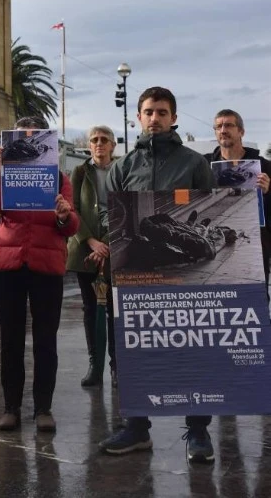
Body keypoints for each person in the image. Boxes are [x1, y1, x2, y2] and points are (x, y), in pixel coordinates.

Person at [97, 86, 216, 463]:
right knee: (132, 351)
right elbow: (107, 214)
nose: (154, 118)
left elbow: (205, 208)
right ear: (138, 118)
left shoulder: (194, 163)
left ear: (173, 118)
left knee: (191, 349)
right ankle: (136, 428)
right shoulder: (123, 166)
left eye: (162, 112)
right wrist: (117, 240)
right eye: (148, 112)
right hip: (136, 273)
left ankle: (197, 431)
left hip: (185, 276)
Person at [0, 116, 79, 433]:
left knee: (45, 340)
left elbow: (72, 225)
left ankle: (43, 409)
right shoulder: (0, 173)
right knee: (10, 339)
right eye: (23, 137)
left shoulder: (61, 179)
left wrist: (64, 215)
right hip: (9, 264)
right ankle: (11, 407)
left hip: (46, 266)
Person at [66, 125, 117, 388]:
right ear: (88, 145)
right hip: (85, 250)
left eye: (104, 140)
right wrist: (91, 242)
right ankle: (94, 365)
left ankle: (117, 367)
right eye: (94, 140)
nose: (99, 144)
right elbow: (72, 208)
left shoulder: (122, 170)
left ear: (112, 146)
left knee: (114, 310)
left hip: (116, 249)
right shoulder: (79, 172)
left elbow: (126, 206)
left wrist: (106, 244)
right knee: (90, 310)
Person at [203, 109, 271, 294]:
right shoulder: (203, 165)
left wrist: (268, 191)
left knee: (256, 296)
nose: (223, 130)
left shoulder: (264, 166)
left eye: (229, 125)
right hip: (215, 235)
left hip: (257, 244)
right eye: (218, 126)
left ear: (241, 131)